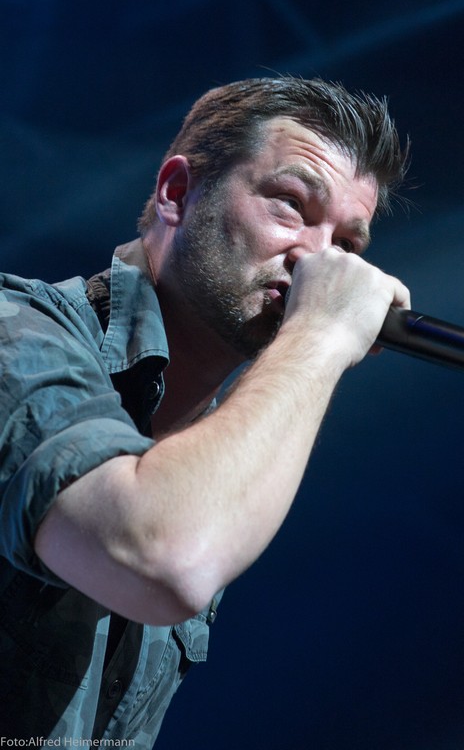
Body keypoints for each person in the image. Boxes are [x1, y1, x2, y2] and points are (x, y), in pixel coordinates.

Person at [0, 76, 410, 745]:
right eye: (291, 205)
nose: (318, 260)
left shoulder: (213, 455)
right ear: (176, 193)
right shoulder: (15, 332)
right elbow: (162, 556)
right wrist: (320, 334)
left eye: (346, 245)